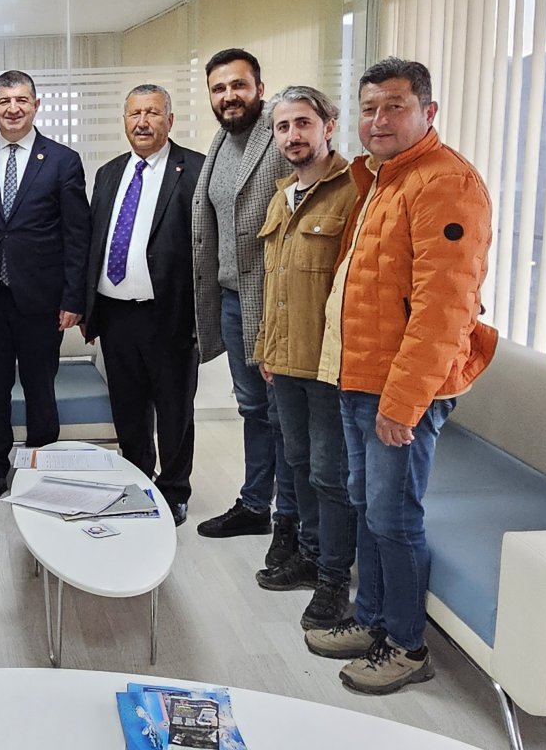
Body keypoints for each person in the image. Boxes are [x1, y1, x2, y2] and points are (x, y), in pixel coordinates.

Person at [304, 57, 496, 695]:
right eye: (369, 108)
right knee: (368, 508)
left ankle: (408, 646)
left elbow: (445, 310)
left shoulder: (446, 183)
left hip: (399, 392)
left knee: (394, 516)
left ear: (427, 112)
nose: (379, 120)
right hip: (360, 377)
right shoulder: (382, 178)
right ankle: (373, 621)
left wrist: (404, 402)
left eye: (395, 106)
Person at [0, 70, 90, 510]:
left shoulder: (63, 160)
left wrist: (73, 298)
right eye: (4, 101)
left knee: (39, 388)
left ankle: (41, 471)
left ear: (36, 106)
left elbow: (77, 236)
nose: (13, 108)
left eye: (21, 100)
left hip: (42, 299)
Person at [250, 88, 358, 630]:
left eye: (303, 124)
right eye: (282, 127)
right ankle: (311, 556)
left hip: (330, 365)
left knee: (328, 474)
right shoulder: (283, 197)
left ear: (328, 126)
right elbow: (275, 285)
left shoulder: (354, 192)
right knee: (297, 463)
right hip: (286, 361)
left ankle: (335, 577)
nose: (292, 136)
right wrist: (265, 348)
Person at [192, 48, 297, 566]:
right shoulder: (222, 140)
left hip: (276, 303)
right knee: (253, 409)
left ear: (259, 87)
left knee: (284, 417)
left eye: (238, 85)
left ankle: (290, 522)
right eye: (219, 88)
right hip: (234, 300)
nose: (229, 95)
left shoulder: (279, 132)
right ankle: (256, 505)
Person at [83, 85, 204, 525]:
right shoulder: (109, 173)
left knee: (174, 410)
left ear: (169, 120)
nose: (142, 122)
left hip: (169, 314)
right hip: (115, 313)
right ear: (124, 121)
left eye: (152, 113)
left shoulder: (194, 170)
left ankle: (174, 490)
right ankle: (137, 479)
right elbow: (95, 241)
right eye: (134, 114)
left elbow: (205, 247)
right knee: (128, 409)